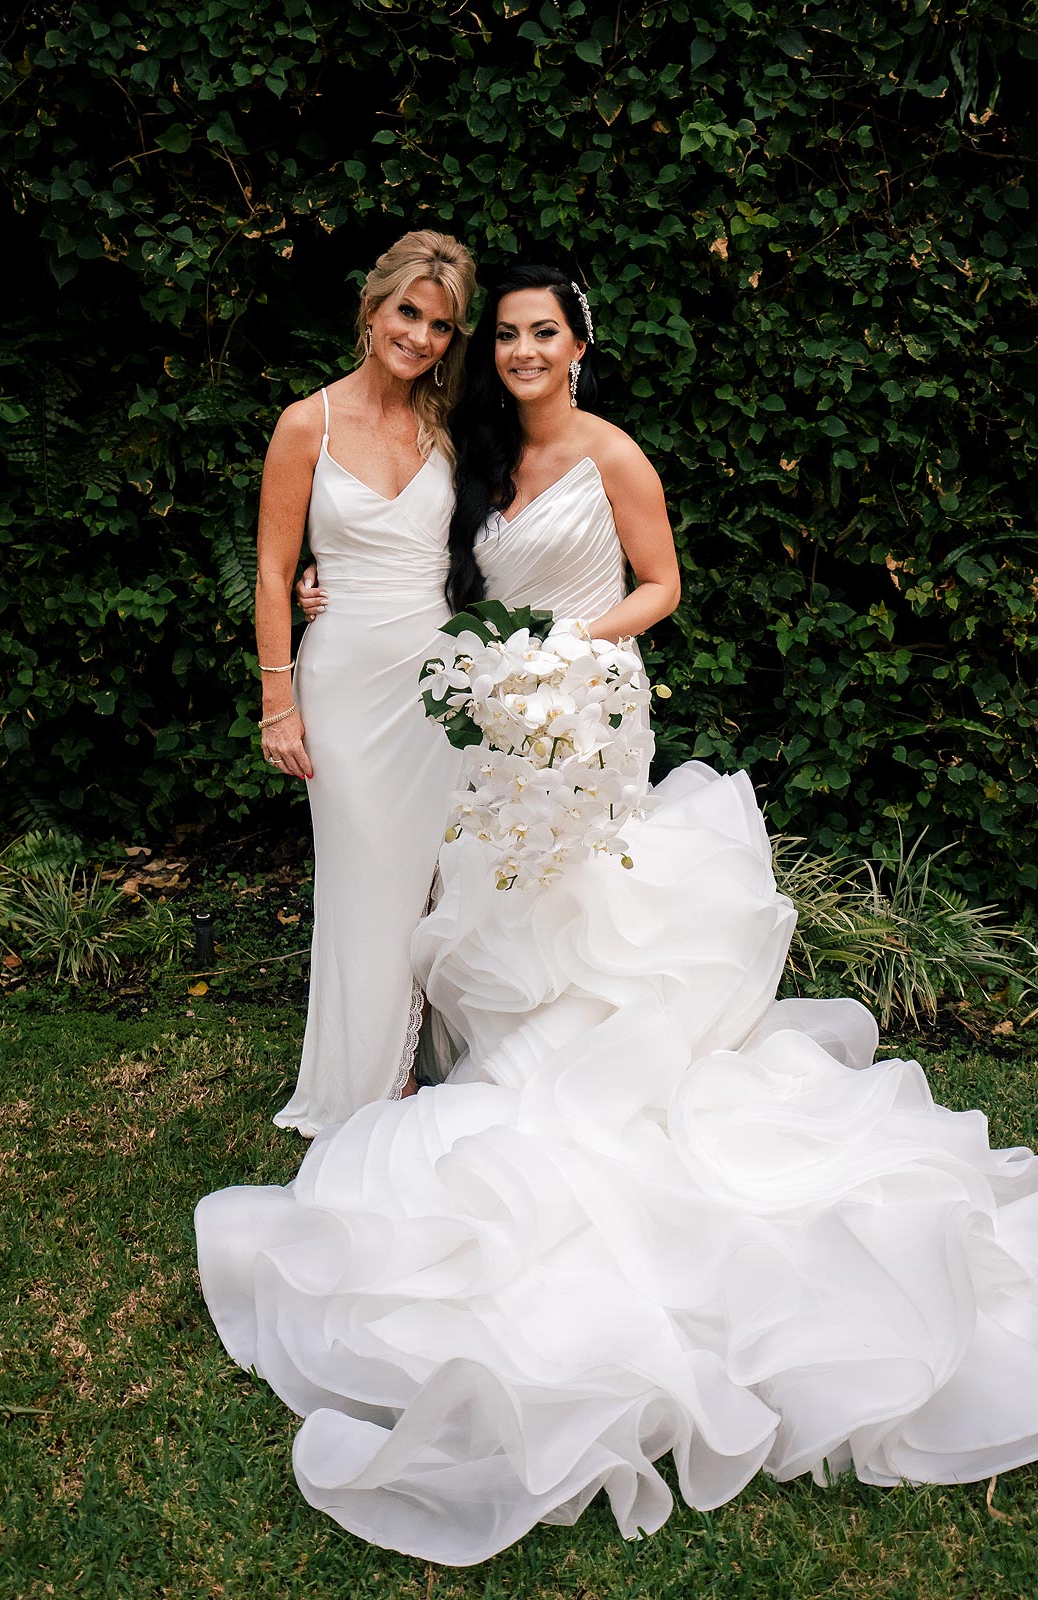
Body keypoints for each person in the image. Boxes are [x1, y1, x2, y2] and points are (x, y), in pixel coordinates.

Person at [197, 267, 1038, 1566]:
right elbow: (436, 571)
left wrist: (566, 655)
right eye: (510, 332)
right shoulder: (478, 452)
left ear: (577, 347)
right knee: (495, 913)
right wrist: (336, 605)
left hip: (581, 715)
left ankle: (578, 1103)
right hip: (489, 718)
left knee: (587, 913)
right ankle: (459, 1087)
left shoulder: (608, 453)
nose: (522, 348)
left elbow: (656, 586)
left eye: (543, 331)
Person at [256, 229, 477, 1134]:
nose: (420, 337)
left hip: (437, 682)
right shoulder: (306, 422)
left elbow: (475, 553)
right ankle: (368, 1089)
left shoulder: (449, 428)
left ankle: (443, 1066)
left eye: (440, 326)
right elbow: (274, 572)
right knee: (361, 877)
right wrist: (278, 702)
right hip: (343, 680)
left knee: (440, 878)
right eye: (408, 313)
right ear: (373, 308)